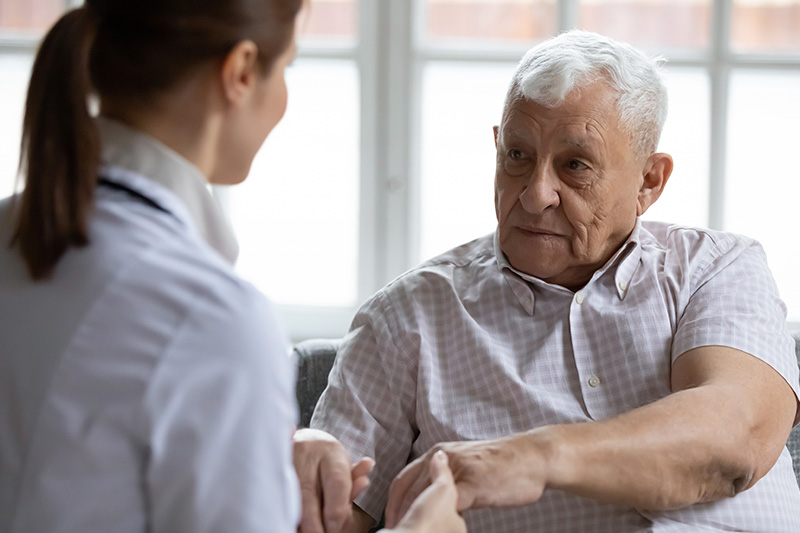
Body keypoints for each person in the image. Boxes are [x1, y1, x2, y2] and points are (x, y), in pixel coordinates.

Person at [303, 30, 800, 532]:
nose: (536, 194)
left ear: (650, 180)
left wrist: (534, 457)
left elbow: (735, 437)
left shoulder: (716, 268)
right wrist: (290, 463)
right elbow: (323, 515)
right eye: (517, 156)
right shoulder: (407, 315)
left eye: (575, 165)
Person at [0, 2, 464, 532]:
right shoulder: (207, 317)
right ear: (241, 71)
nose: (285, 96)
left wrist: (267, 444)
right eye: (286, 68)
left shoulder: (17, 233)